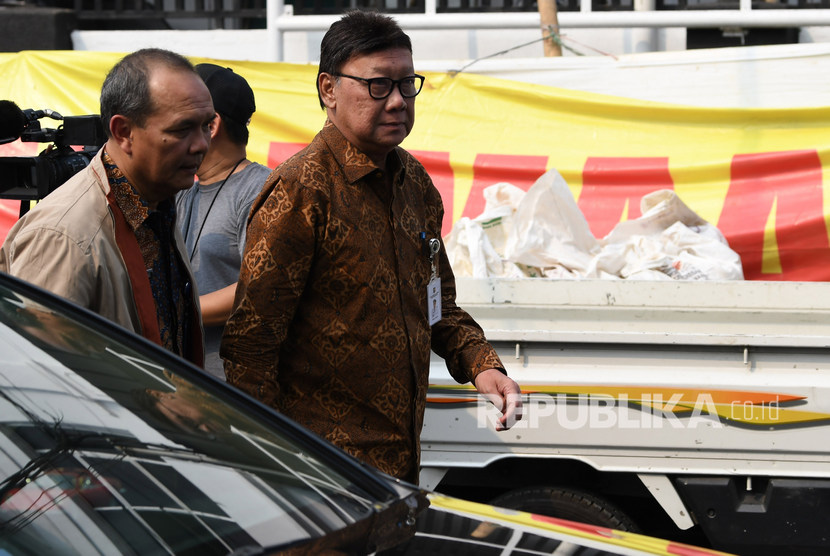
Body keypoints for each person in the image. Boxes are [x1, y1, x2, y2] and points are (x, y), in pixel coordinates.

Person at [221, 11, 522, 484]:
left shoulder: (415, 183)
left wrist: (483, 365)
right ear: (328, 90)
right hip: (318, 470)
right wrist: (273, 464)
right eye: (379, 86)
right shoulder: (301, 190)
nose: (399, 101)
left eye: (408, 84)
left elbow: (437, 305)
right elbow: (250, 346)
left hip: (399, 463)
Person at [0, 48, 211, 366]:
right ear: (124, 132)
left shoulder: (157, 202)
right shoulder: (64, 235)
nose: (202, 144)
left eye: (207, 125)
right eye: (181, 129)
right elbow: (39, 378)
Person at [177, 64, 271, 380]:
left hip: (229, 388)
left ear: (212, 125)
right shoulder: (180, 186)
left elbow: (258, 288)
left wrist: (177, 312)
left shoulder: (261, 190)